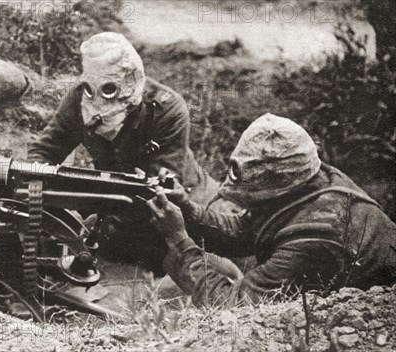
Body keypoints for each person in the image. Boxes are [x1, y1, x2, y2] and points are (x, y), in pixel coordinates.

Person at [147, 113, 396, 306]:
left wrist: (179, 239)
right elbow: (247, 229)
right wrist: (188, 209)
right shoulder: (310, 179)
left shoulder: (317, 234)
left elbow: (233, 305)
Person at [27, 32, 221, 273]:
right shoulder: (79, 99)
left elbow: (158, 192)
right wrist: (34, 183)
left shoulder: (167, 109)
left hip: (181, 204)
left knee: (191, 263)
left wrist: (97, 219)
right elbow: (45, 149)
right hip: (116, 202)